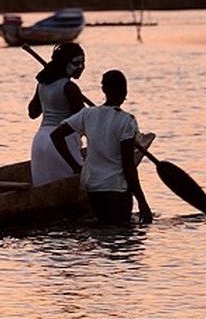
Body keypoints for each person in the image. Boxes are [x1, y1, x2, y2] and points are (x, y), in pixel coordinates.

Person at [50, 70, 153, 225]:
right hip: (116, 189)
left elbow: (56, 135)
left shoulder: (88, 114)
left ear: (103, 90)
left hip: (93, 188)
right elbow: (128, 165)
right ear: (125, 92)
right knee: (121, 239)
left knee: (102, 236)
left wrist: (76, 167)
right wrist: (142, 202)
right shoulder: (127, 121)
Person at [28, 42, 89, 185]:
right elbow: (82, 123)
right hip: (63, 143)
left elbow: (32, 112)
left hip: (40, 141)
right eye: (76, 63)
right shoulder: (70, 88)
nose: (81, 68)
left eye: (83, 63)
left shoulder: (42, 84)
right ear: (64, 63)